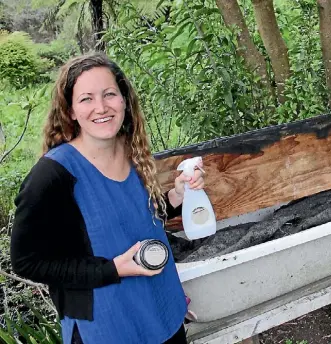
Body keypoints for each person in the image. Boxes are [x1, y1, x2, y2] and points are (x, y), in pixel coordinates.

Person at [10, 52, 204, 344]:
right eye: (86, 98)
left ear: (124, 100)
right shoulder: (53, 176)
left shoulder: (132, 150)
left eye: (109, 94)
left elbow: (135, 219)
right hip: (106, 326)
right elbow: (27, 262)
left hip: (162, 311)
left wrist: (178, 195)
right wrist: (112, 269)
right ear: (71, 110)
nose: (101, 107)